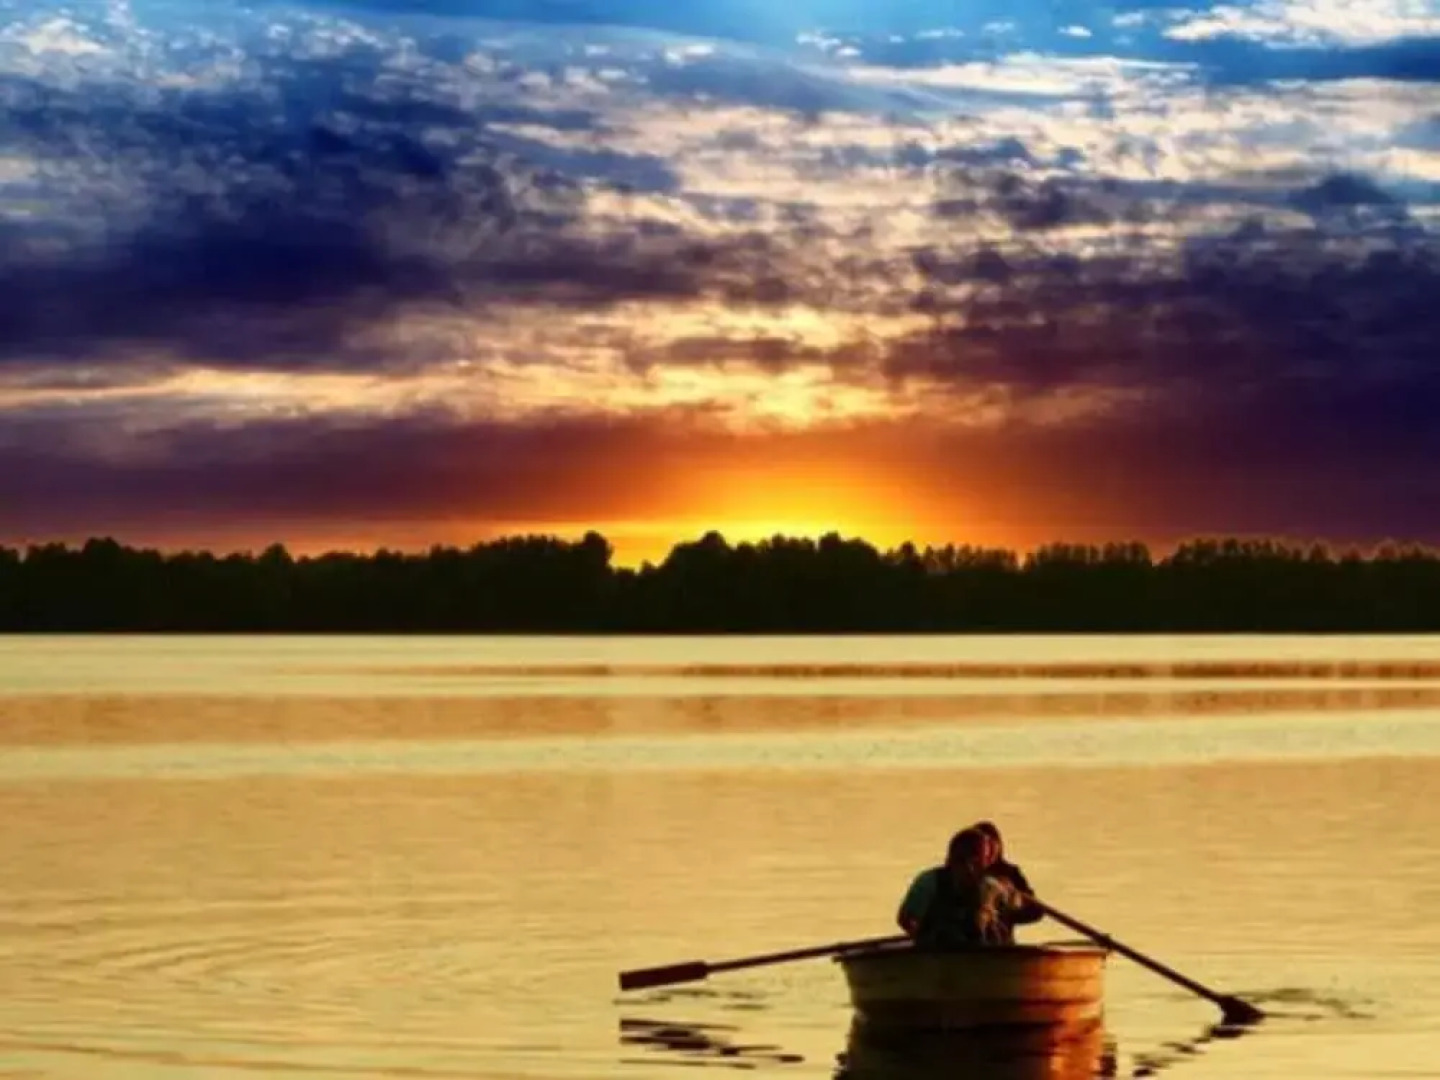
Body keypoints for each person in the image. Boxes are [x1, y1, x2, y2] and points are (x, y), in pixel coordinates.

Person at [896, 828, 1022, 948]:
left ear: (984, 862)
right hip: (936, 953)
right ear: (951, 859)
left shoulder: (992, 887)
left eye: (975, 862)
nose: (969, 868)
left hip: (980, 953)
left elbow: (1025, 906)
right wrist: (924, 941)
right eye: (962, 860)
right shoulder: (929, 882)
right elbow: (905, 919)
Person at [973, 820, 1043, 929]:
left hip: (1001, 939)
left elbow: (1036, 911)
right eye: (985, 848)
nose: (989, 851)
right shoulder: (962, 871)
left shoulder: (1010, 872)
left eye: (993, 845)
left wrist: (1008, 911)